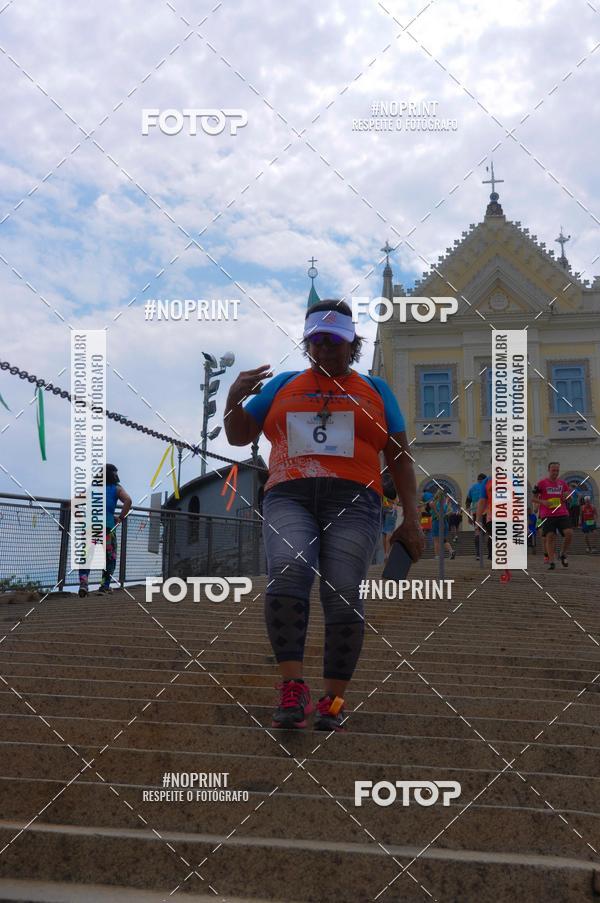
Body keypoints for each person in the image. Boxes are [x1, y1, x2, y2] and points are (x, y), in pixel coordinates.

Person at [224, 299, 424, 732]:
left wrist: (412, 516)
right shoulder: (283, 384)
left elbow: (401, 458)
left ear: (352, 343)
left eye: (335, 341)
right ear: (307, 343)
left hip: (355, 500)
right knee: (288, 567)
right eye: (317, 341)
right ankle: (292, 688)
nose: (326, 349)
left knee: (344, 587)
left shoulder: (377, 389)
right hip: (288, 495)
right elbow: (240, 436)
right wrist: (232, 400)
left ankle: (333, 700)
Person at [78, 463, 132, 597]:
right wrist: (120, 517)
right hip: (107, 528)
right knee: (109, 558)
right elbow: (128, 501)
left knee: (86, 557)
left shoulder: (92, 488)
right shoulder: (116, 488)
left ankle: (84, 584)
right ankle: (104, 586)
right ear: (114, 475)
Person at [532, 462, 572, 570]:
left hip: (562, 512)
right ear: (548, 470)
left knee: (569, 533)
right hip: (547, 514)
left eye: (557, 471)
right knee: (549, 536)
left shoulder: (562, 483)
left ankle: (562, 553)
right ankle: (550, 560)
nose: (555, 473)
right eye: (553, 470)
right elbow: (533, 498)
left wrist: (568, 496)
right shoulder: (541, 483)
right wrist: (543, 502)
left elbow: (569, 498)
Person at [431, 489, 456, 560]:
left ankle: (437, 556)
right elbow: (450, 511)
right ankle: (451, 551)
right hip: (445, 523)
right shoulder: (444, 504)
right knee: (443, 540)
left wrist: (435, 511)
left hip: (436, 522)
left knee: (436, 540)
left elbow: (436, 513)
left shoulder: (434, 503)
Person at [466, 473, 487, 557]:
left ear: (478, 479)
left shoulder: (472, 488)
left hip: (475, 512)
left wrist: (469, 516)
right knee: (488, 531)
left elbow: (467, 502)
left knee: (477, 532)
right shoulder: (487, 486)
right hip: (487, 511)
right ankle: (490, 553)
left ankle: (478, 554)